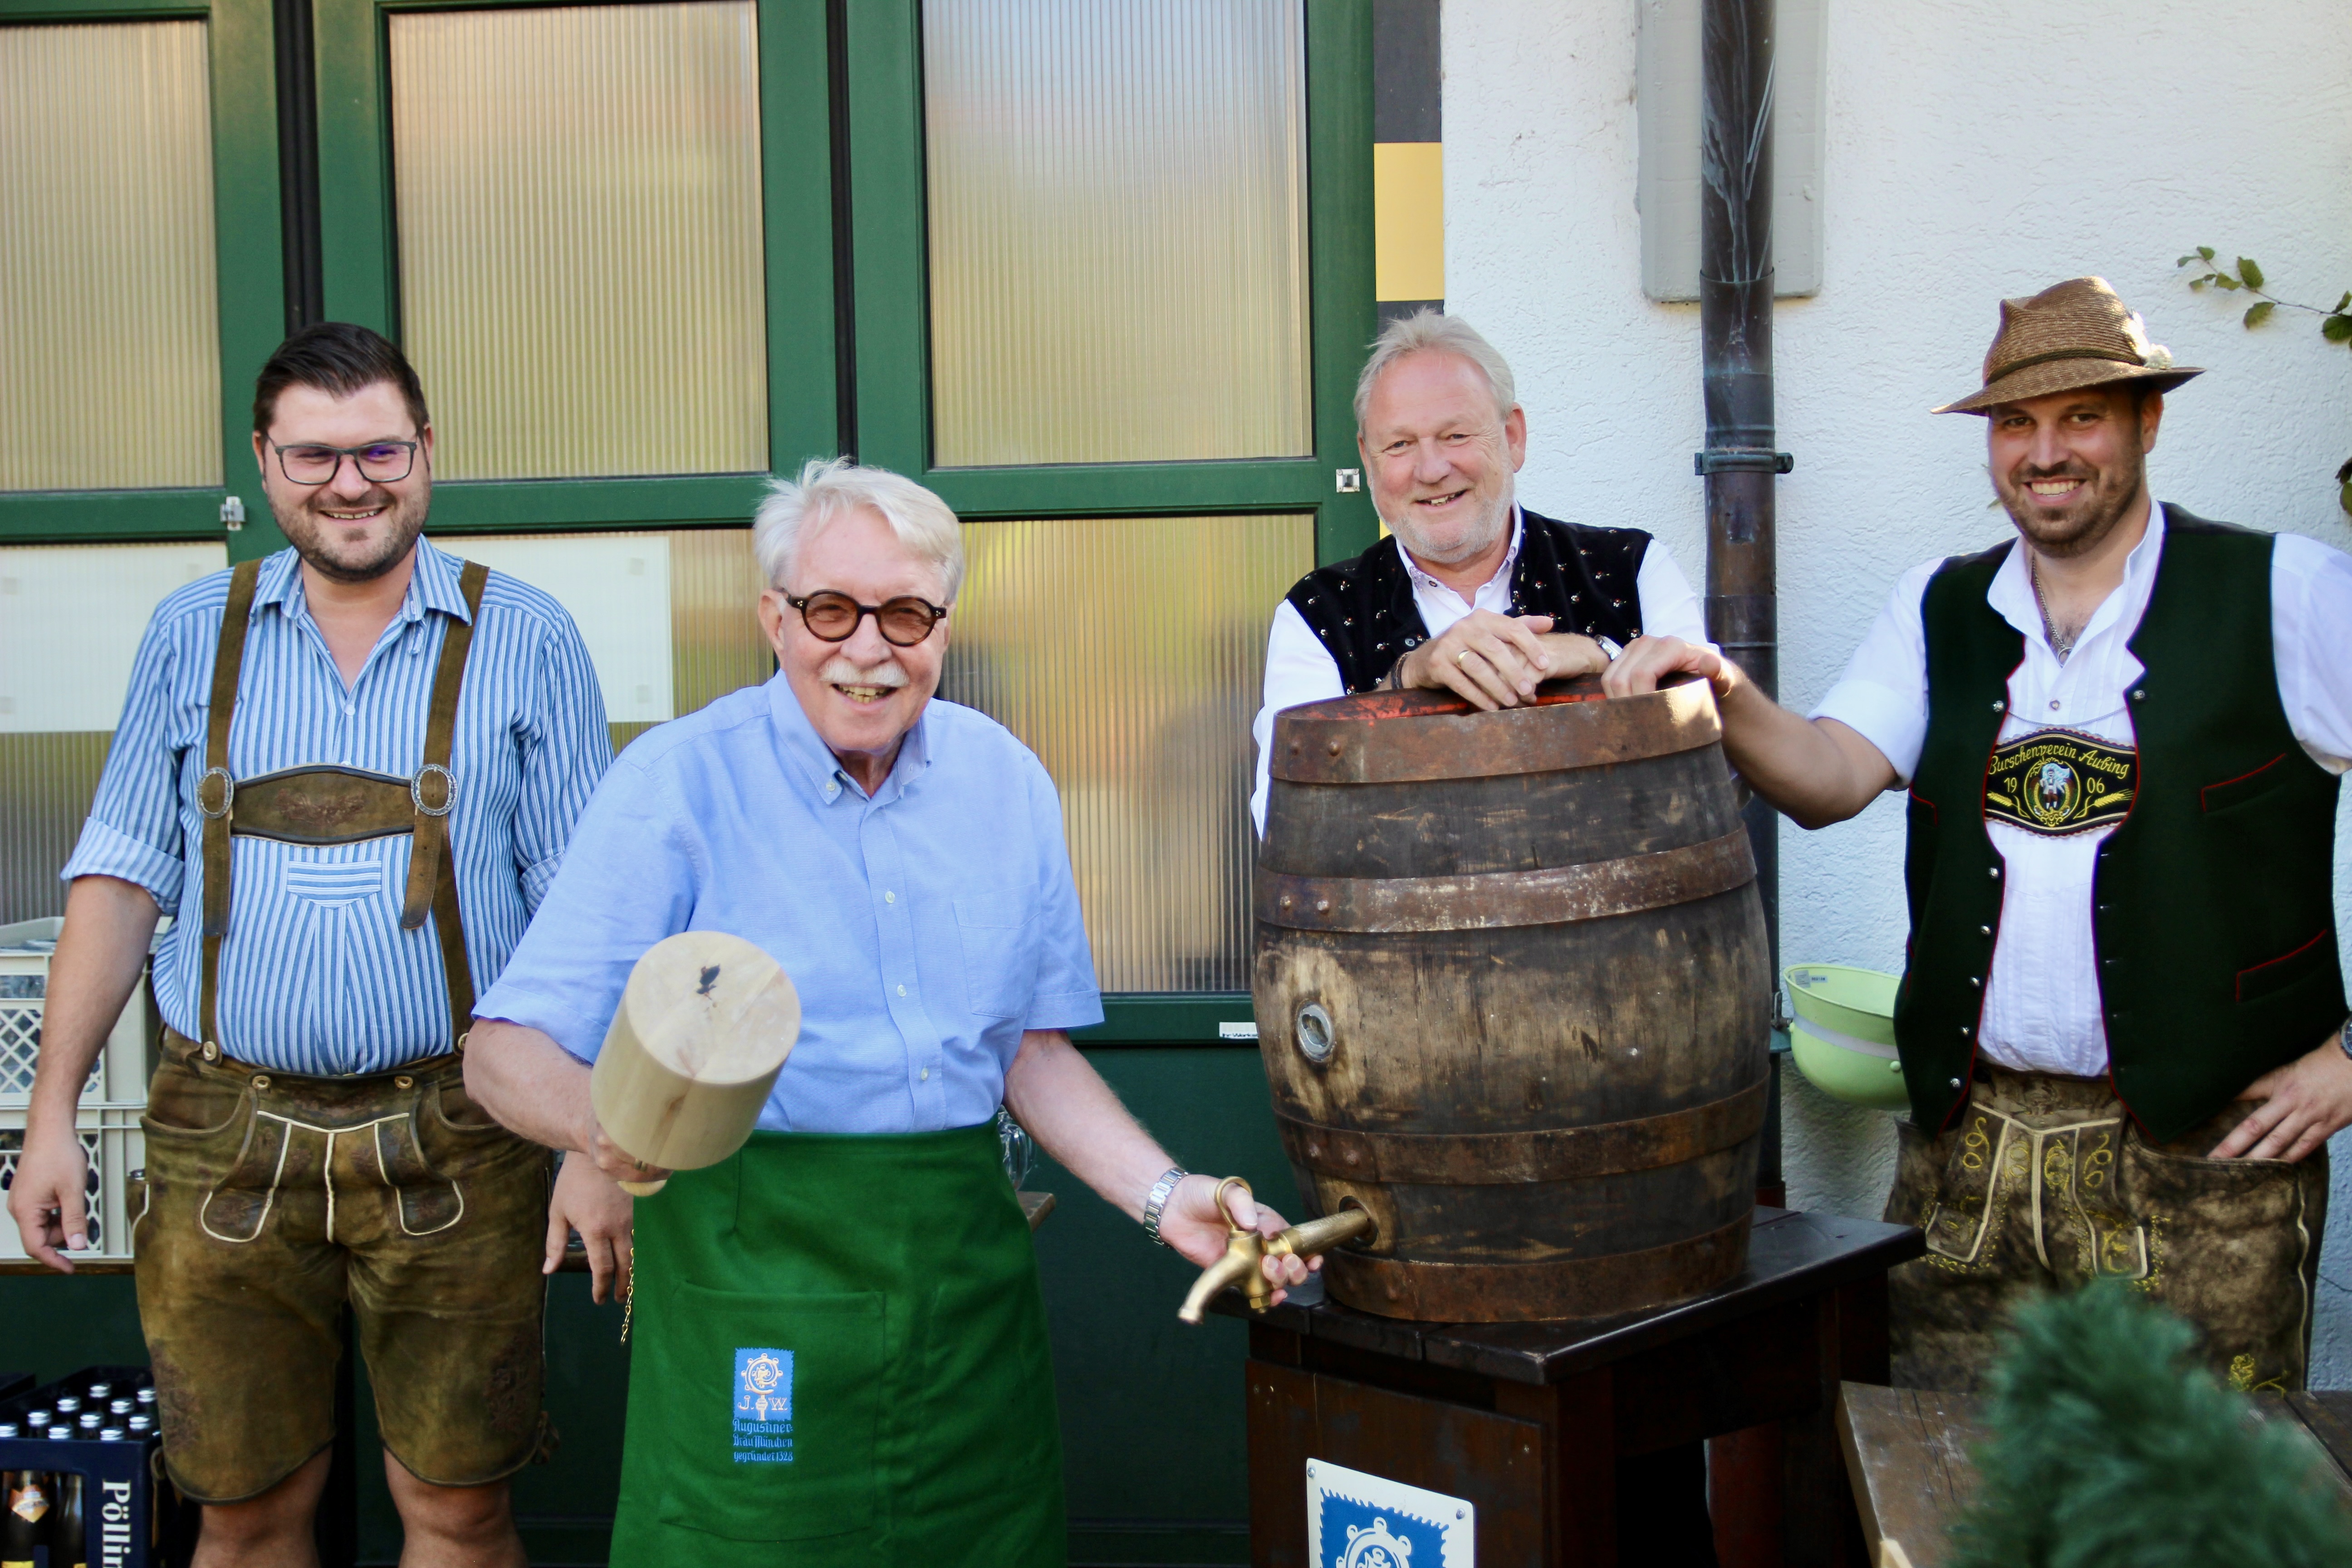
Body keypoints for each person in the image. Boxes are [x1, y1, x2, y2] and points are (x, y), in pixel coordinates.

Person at [462, 457, 1311, 1566]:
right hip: (753, 1271)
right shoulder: (677, 783)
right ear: (774, 616)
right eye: (830, 608)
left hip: (966, 1297)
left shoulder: (1004, 782)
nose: (868, 647)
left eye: (905, 612)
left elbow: (1027, 1051)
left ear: (943, 627)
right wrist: (600, 1126)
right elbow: (499, 1050)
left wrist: (1169, 1198)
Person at [1610, 276, 2352, 1392]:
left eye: (2080, 416)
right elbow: (1823, 777)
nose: (2044, 451)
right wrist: (1716, 688)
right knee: (1948, 1498)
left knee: (2191, 1513)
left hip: (2202, 1179)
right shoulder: (1939, 608)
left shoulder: (2282, 592)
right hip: (1969, 1168)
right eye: (2015, 422)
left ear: (2147, 422)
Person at [6, 323, 622, 1566]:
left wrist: (593, 1141)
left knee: (458, 1507)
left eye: (380, 449)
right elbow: (121, 880)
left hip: (463, 1130)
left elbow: (586, 913)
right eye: (314, 457)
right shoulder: (192, 634)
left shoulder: (529, 638)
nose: (352, 483)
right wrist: (52, 1116)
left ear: (427, 449)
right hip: (222, 1136)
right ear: (265, 461)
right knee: (238, 1515)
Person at [1250, 309, 1711, 830]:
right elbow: (1286, 823)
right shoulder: (1317, 613)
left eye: (1455, 435)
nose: (1430, 469)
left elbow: (1719, 765)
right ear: (1368, 459)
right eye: (1399, 445)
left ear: (1512, 436)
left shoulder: (1632, 567)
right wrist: (1406, 682)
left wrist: (1598, 655)